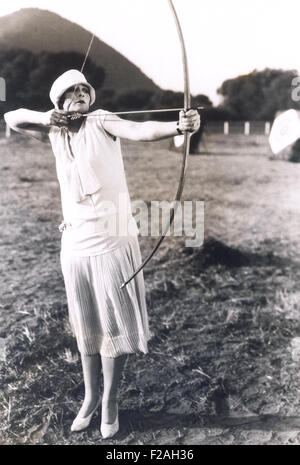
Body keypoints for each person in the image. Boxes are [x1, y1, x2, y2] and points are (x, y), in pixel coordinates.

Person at [4, 69, 200, 438]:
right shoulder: (54, 131)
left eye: (84, 89)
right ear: (60, 103)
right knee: (86, 326)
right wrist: (44, 117)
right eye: (71, 91)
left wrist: (179, 126)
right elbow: (10, 117)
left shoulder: (101, 120)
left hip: (112, 239)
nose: (80, 93)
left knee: (113, 325)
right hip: (75, 244)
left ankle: (110, 401)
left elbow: (141, 131)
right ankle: (90, 398)